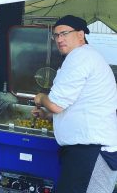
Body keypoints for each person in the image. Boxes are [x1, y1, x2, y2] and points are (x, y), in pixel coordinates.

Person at [32, 15, 117, 193]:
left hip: (92, 153)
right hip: (87, 151)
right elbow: (75, 104)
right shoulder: (85, 57)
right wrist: (48, 115)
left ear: (80, 34)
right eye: (56, 35)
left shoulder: (80, 57)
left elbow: (55, 104)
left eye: (64, 33)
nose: (59, 39)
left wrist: (41, 98)